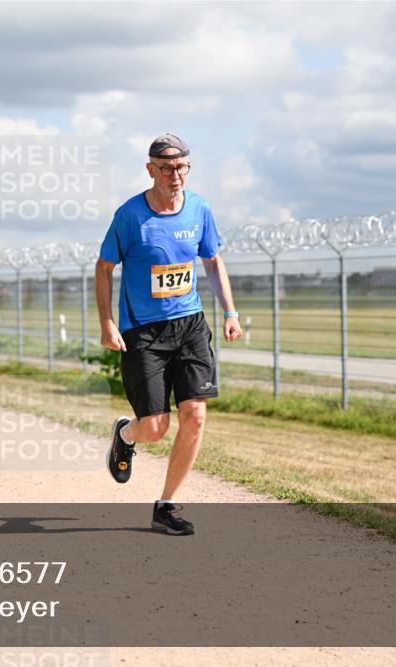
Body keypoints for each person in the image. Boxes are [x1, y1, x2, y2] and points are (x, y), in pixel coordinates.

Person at [96, 133, 243, 535]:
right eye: (166, 168)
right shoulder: (129, 215)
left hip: (190, 323)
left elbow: (212, 260)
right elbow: (104, 268)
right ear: (150, 170)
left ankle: (167, 504)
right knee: (155, 428)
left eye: (182, 168)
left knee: (195, 414)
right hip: (142, 331)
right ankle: (126, 434)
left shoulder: (199, 210)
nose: (175, 175)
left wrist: (230, 311)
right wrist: (107, 323)